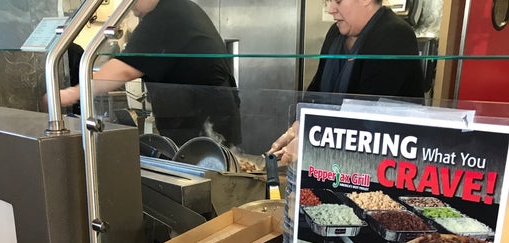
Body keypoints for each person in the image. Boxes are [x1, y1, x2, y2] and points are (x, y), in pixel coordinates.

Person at [59, 0, 241, 147]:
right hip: (202, 122)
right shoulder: (178, 8)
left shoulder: (167, 14)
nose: (130, 6)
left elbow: (124, 69)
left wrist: (72, 93)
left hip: (207, 129)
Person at [269, 0, 424, 163]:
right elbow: (316, 91)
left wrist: (310, 140)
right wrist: (297, 127)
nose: (331, 9)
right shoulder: (335, 33)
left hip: (381, 163)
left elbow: (367, 116)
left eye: (338, 1)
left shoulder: (395, 35)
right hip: (333, 155)